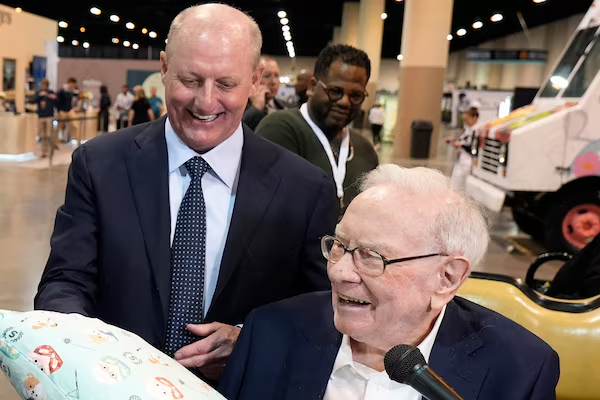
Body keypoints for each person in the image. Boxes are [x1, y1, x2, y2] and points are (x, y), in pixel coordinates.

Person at [34, 3, 337, 382]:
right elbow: (65, 280)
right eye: (190, 80)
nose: (206, 102)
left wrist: (250, 340)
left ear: (255, 79)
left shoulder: (304, 189)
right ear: (163, 68)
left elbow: (323, 309)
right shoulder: (100, 165)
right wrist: (86, 348)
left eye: (226, 84)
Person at [219, 165, 560, 400]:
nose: (339, 272)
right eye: (339, 246)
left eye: (371, 256)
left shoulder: (520, 370)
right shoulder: (270, 331)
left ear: (447, 278)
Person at [256, 44, 378, 213]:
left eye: (356, 95)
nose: (344, 102)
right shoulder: (280, 129)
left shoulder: (365, 150)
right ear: (313, 87)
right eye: (335, 91)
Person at [242, 56, 286, 129]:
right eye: (267, 76)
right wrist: (256, 108)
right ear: (253, 79)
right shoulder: (238, 105)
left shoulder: (285, 107)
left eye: (276, 75)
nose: (273, 82)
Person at [447, 107, 479, 192]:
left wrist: (461, 145)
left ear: (474, 117)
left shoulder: (477, 130)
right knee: (455, 184)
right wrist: (454, 141)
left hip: (468, 163)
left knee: (464, 188)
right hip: (461, 160)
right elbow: (463, 142)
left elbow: (473, 147)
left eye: (467, 119)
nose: (466, 122)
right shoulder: (467, 129)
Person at [34, 79, 57, 157]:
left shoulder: (51, 92)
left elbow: (56, 101)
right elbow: (33, 100)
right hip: (41, 115)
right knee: (42, 135)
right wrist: (39, 96)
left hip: (49, 115)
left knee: (49, 135)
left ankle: (50, 150)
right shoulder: (39, 93)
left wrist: (51, 97)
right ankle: (44, 151)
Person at [56, 77, 78, 143]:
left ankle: (74, 139)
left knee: (75, 125)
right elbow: (57, 101)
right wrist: (59, 110)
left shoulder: (71, 91)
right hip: (62, 111)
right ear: (70, 83)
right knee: (59, 126)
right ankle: (55, 141)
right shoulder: (62, 91)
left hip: (69, 110)